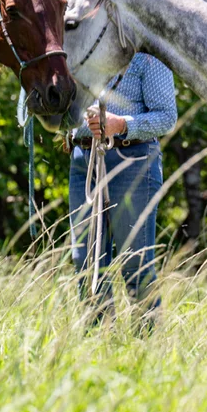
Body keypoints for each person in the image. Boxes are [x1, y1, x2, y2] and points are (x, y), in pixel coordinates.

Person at [68, 51, 177, 316]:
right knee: (85, 262)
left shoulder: (146, 53)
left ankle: (147, 337)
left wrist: (121, 124)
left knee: (135, 263)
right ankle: (98, 338)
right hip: (84, 160)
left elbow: (167, 117)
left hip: (133, 160)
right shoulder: (75, 45)